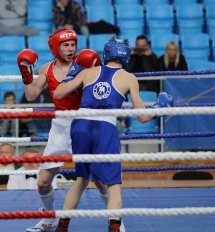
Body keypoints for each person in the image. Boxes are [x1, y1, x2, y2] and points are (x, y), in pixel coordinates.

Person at [53, 36, 173, 232]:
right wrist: (159, 108)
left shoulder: (88, 72)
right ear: (126, 57)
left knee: (81, 180)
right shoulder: (128, 78)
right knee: (113, 184)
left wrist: (70, 74)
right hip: (104, 129)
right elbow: (142, 117)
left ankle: (62, 226)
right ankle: (115, 228)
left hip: (80, 125)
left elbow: (58, 94)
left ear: (106, 54)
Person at [17, 29, 126, 232]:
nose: (70, 49)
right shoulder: (47, 69)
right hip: (60, 127)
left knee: (100, 180)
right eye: (66, 45)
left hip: (85, 124)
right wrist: (26, 75)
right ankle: (49, 217)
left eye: (73, 44)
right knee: (43, 182)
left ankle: (116, 221)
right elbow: (31, 95)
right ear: (55, 48)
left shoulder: (87, 64)